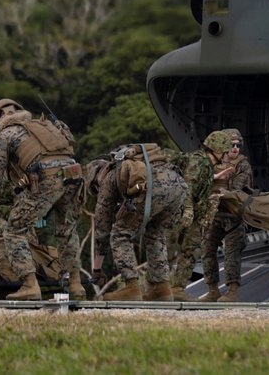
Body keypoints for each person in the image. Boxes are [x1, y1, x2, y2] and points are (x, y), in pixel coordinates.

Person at [0, 98, 84, 301]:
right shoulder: (44, 126)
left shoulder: (7, 134)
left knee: (14, 231)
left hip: (46, 178)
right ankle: (76, 284)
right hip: (74, 174)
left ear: (0, 118)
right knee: (66, 230)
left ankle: (29, 285)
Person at [91, 144, 188, 301]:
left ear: (95, 181)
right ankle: (162, 289)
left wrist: (97, 268)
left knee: (120, 234)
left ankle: (132, 287)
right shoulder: (130, 164)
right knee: (155, 234)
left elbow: (103, 229)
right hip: (178, 185)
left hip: (154, 187)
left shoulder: (107, 179)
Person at [168, 130, 229, 300]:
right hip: (181, 214)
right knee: (168, 249)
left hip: (194, 215)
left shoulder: (207, 166)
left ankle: (177, 288)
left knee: (192, 249)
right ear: (216, 150)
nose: (226, 156)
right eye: (224, 152)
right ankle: (158, 288)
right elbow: (187, 186)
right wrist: (187, 210)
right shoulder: (199, 162)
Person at [199, 128, 253, 302]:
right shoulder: (212, 163)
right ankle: (213, 289)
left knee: (232, 253)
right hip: (215, 214)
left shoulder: (243, 165)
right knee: (207, 250)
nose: (235, 148)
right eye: (231, 145)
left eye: (238, 145)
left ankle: (231, 291)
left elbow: (236, 189)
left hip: (233, 215)